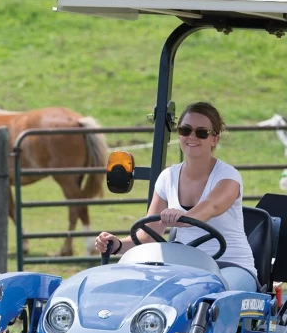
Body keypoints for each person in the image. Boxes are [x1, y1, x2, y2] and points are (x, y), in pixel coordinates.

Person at [94, 102, 258, 292]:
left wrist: (182, 217)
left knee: (211, 293)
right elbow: (147, 236)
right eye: (185, 130)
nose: (192, 137)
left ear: (215, 139)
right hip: (187, 269)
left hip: (231, 266)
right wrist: (117, 244)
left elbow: (210, 207)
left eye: (201, 132)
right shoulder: (167, 177)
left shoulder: (228, 177)